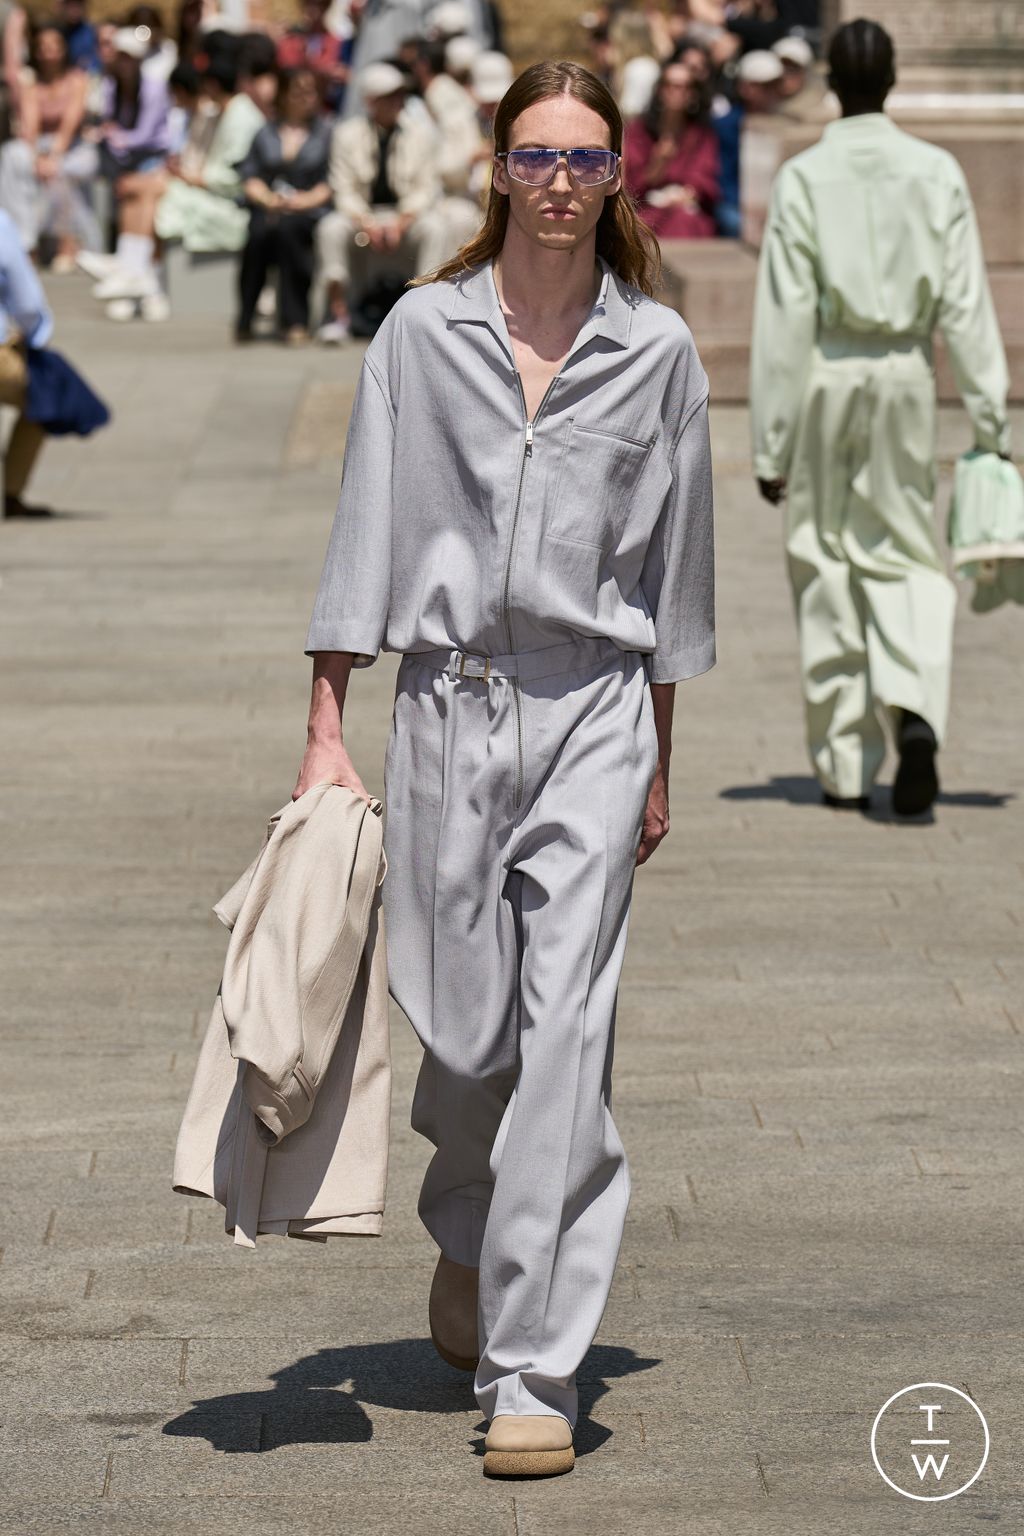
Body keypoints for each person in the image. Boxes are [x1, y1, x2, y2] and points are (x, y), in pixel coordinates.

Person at [296, 57, 714, 1476]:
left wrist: (659, 754)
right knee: (467, 1035)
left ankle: (537, 1369)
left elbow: (675, 575)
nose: (558, 182)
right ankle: (470, 1227)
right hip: (447, 707)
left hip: (595, 705)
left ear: (617, 175)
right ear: (497, 168)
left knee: (567, 1036)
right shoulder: (421, 333)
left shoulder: (656, 351)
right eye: (535, 155)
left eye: (585, 158)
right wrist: (325, 724)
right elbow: (364, 520)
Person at [749, 19, 1011, 816]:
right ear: (894, 79)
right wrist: (991, 420)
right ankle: (915, 706)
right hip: (905, 373)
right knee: (903, 549)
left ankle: (845, 762)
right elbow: (966, 305)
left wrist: (771, 443)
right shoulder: (936, 172)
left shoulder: (804, 176)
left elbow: (785, 318)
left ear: (830, 83)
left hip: (829, 369)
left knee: (824, 553)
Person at [314, 60, 447, 344]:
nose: (398, 101)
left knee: (435, 227)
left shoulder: (420, 133)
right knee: (330, 228)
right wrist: (366, 223)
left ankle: (427, 314)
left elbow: (426, 188)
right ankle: (338, 315)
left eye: (400, 95)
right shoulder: (347, 134)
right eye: (389, 96)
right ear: (371, 101)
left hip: (404, 215)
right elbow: (343, 189)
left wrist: (403, 221)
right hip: (363, 216)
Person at [236, 65, 332, 343]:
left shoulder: (326, 132)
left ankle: (294, 320)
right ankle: (245, 316)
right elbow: (250, 176)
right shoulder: (265, 131)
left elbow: (331, 179)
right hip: (269, 208)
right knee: (258, 235)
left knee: (291, 234)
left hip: (309, 210)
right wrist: (267, 199)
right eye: (298, 91)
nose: (305, 98)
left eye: (310, 92)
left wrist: (303, 201)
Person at [0, 22, 101, 266]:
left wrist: (53, 157)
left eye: (53, 46)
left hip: (72, 146)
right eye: (43, 47)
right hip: (41, 147)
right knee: (12, 157)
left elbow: (70, 125)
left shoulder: (78, 80)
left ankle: (68, 243)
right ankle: (25, 240)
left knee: (61, 170)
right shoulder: (31, 83)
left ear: (64, 49)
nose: (48, 53)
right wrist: (38, 156)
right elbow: (30, 124)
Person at [155, 49, 269, 257]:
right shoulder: (226, 111)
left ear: (212, 85)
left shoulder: (242, 118)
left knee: (165, 195)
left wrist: (197, 178)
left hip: (234, 200)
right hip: (213, 187)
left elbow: (236, 175)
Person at [624, 55, 719, 238]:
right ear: (660, 90)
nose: (677, 92)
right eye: (671, 85)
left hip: (685, 209)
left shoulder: (702, 134)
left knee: (686, 220)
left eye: (685, 86)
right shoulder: (639, 130)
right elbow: (631, 186)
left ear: (693, 93)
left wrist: (688, 193)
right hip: (648, 209)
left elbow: (705, 177)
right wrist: (658, 162)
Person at [711, 46, 781, 237]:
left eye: (774, 85)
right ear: (744, 87)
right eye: (764, 86)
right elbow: (723, 177)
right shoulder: (726, 125)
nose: (771, 92)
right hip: (735, 205)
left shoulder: (785, 122)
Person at [276, 0, 348, 110]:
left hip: (324, 108)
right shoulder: (290, 40)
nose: (314, 9)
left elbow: (339, 72)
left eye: (320, 4)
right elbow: (286, 66)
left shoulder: (336, 42)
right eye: (309, 3)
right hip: (291, 107)